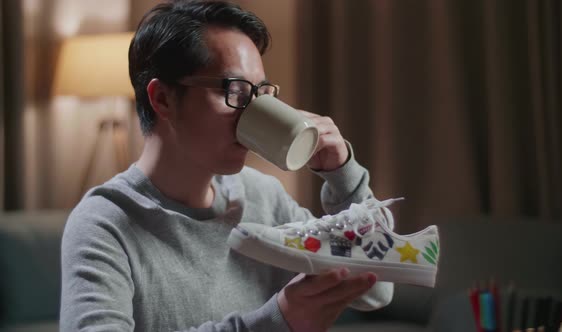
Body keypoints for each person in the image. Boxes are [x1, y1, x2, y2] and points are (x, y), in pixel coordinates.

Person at [60, 1, 393, 331]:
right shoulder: (104, 224)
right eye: (235, 91)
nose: (253, 111)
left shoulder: (263, 198)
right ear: (162, 98)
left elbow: (377, 288)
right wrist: (276, 321)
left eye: (261, 93)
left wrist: (343, 175)